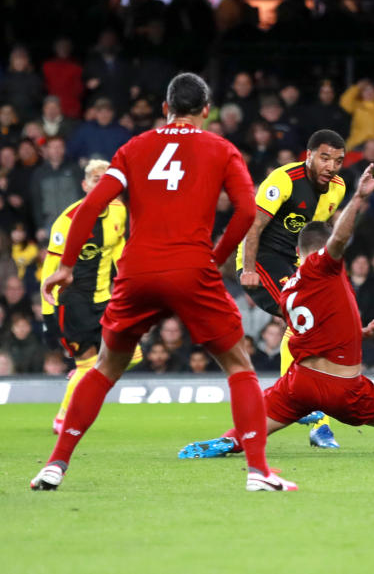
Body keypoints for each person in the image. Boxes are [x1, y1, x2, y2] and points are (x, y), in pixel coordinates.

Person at [33, 73, 296, 492]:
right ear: (206, 111)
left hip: (137, 270)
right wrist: (216, 256)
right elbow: (246, 211)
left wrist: (65, 265)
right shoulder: (222, 149)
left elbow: (92, 204)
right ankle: (258, 471)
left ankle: (54, 465)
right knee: (239, 368)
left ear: (164, 109)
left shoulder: (134, 148)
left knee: (103, 368)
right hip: (193, 268)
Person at [180, 167, 374, 458]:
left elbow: (317, 331)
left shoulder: (288, 287)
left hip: (300, 383)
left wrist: (360, 334)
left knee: (255, 427)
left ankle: (225, 442)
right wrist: (358, 198)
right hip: (343, 388)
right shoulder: (322, 268)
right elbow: (341, 236)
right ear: (322, 250)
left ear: (296, 251)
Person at [235, 129, 351, 448]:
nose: (331, 166)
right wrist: (246, 269)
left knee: (316, 326)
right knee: (302, 320)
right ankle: (298, 402)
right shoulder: (284, 180)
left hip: (293, 261)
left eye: (338, 161)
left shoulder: (338, 189)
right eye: (325, 157)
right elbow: (253, 226)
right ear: (309, 154)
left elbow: (311, 233)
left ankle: (318, 423)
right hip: (260, 261)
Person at [41, 159, 144, 434]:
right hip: (73, 301)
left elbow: (120, 246)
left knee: (134, 355)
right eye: (96, 179)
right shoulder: (67, 221)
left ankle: (81, 377)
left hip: (105, 298)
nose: (102, 184)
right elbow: (50, 270)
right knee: (88, 363)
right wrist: (47, 313)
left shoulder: (119, 211)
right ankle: (62, 417)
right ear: (85, 185)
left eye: (107, 179)